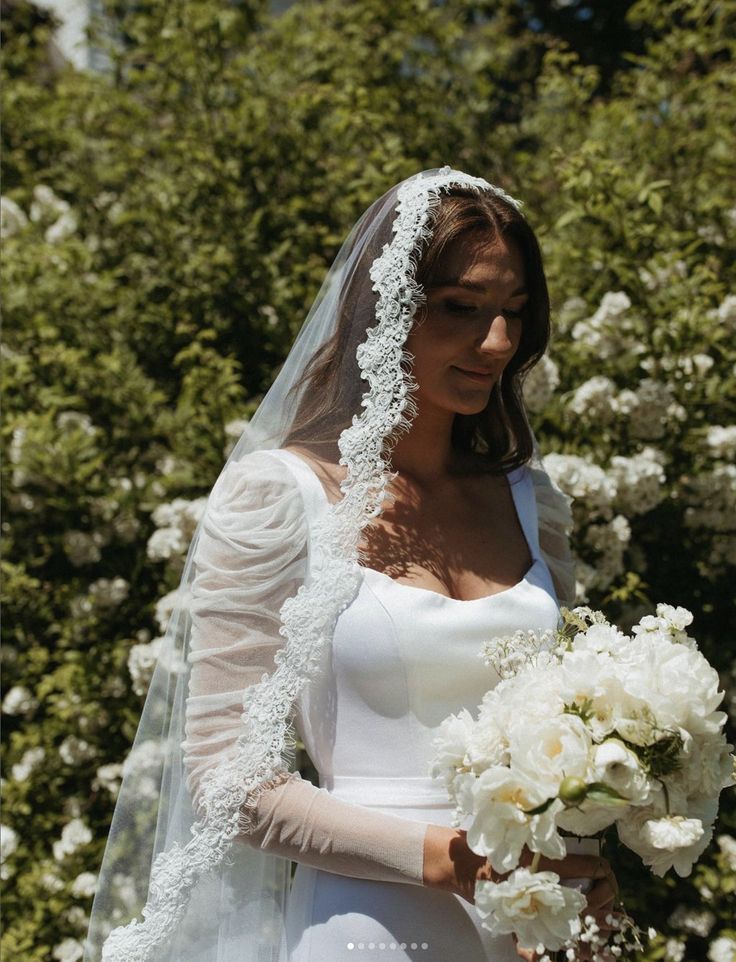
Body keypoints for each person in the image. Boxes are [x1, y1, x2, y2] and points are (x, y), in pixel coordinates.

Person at [83, 167, 617, 962]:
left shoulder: (531, 502)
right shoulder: (278, 499)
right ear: (388, 309)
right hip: (370, 926)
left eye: (513, 314)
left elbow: (566, 730)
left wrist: (586, 855)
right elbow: (233, 783)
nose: (498, 343)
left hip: (536, 924)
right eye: (461, 310)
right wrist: (449, 861)